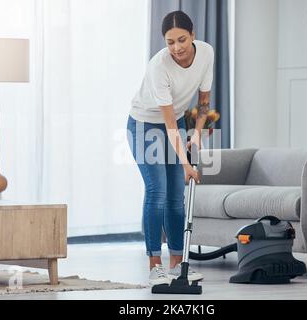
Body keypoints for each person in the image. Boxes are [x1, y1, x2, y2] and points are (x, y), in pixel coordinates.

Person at [127, 10, 214, 285]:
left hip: (175, 120)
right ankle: (155, 265)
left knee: (176, 196)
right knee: (158, 191)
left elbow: (203, 102)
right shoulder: (159, 66)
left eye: (182, 40)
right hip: (145, 125)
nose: (176, 48)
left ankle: (177, 264)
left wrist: (197, 135)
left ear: (193, 36)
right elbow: (168, 125)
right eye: (170, 42)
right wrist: (187, 164)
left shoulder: (207, 54)